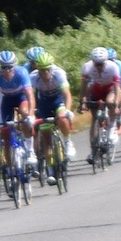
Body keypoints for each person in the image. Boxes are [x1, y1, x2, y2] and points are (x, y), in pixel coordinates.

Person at [0, 49, 35, 177]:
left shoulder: (22, 72)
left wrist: (30, 115)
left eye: (9, 67)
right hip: (7, 100)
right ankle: (10, 167)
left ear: (14, 66)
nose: (7, 70)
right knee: (6, 134)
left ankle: (30, 151)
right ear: (0, 67)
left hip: (21, 97)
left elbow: (30, 96)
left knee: (25, 114)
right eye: (4, 67)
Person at [27, 52, 75, 180]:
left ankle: (67, 141)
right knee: (47, 138)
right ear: (38, 69)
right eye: (42, 70)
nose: (45, 73)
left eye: (47, 69)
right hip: (43, 104)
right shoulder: (33, 77)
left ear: (51, 67)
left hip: (57, 101)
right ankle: (50, 170)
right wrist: (30, 115)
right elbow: (30, 97)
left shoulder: (58, 73)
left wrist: (68, 110)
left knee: (62, 118)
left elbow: (67, 94)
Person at [79, 47, 121, 141]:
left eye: (101, 64)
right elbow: (84, 86)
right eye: (96, 64)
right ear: (93, 61)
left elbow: (117, 87)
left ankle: (112, 126)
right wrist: (82, 102)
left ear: (106, 61)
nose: (99, 66)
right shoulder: (87, 67)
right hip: (97, 88)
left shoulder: (113, 67)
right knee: (94, 118)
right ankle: (94, 149)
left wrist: (116, 105)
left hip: (110, 88)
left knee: (110, 102)